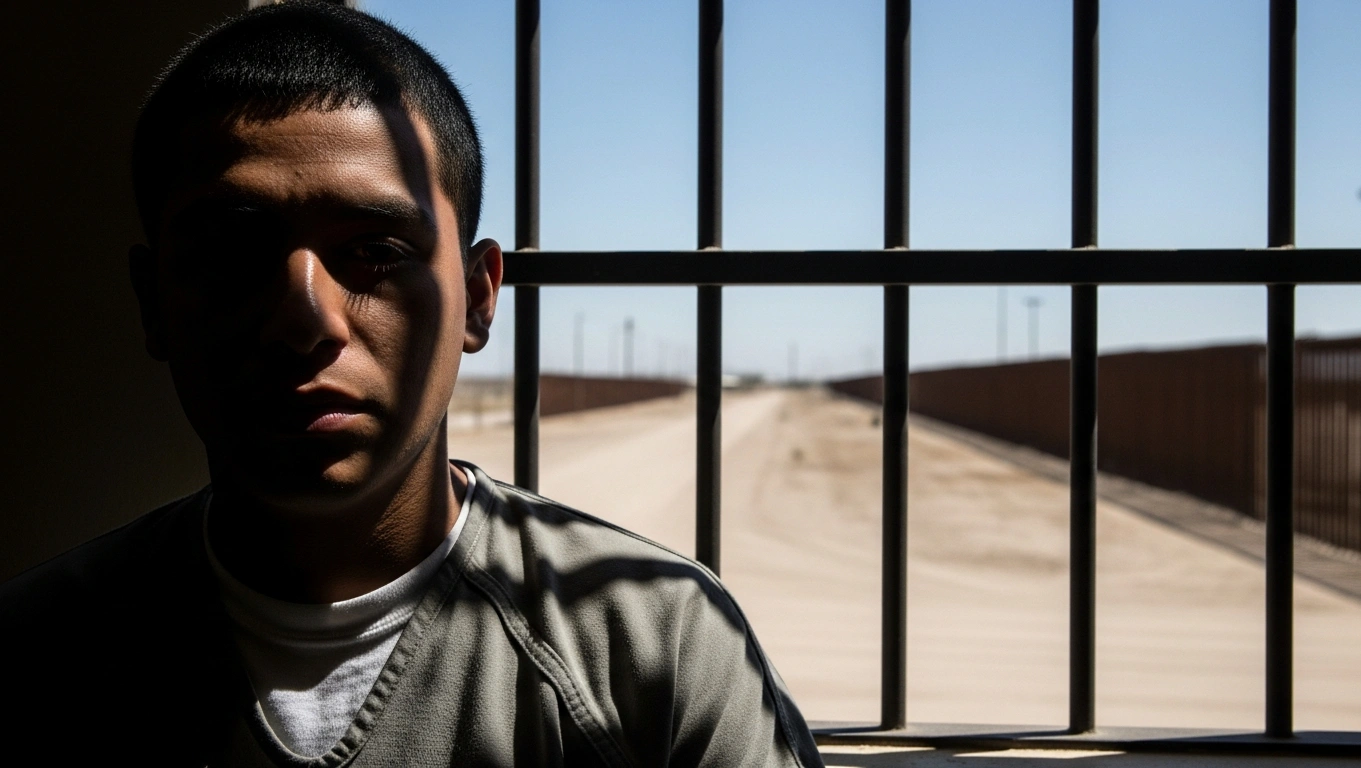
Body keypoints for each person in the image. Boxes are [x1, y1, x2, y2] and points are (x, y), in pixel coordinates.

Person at [0, 3, 823, 766]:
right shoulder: (39, 650)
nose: (306, 319)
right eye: (231, 254)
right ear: (154, 305)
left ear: (476, 297)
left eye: (376, 253)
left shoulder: (653, 644)